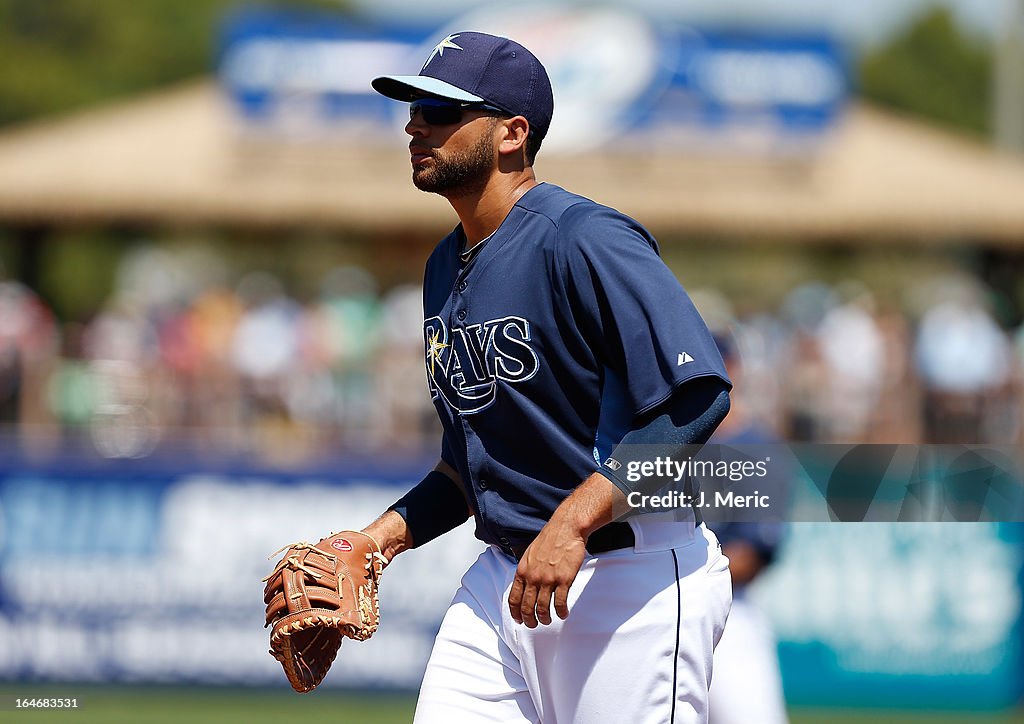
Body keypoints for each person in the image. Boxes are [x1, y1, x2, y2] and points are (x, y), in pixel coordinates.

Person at [360, 32, 733, 723]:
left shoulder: (584, 236)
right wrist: (378, 538)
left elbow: (698, 396)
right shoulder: (445, 265)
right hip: (506, 574)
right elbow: (466, 468)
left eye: (441, 112)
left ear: (512, 132)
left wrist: (572, 520)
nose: (415, 124)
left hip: (628, 576)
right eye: (413, 107)